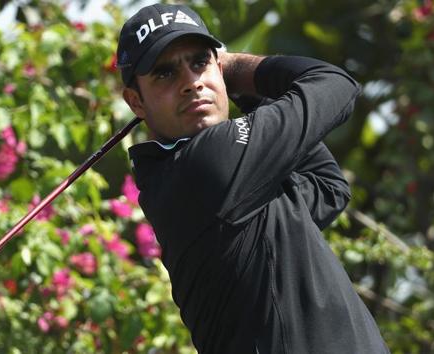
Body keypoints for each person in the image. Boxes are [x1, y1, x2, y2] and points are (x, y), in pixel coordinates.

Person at [116, 3, 389, 353]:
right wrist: (235, 69)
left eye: (200, 61)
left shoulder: (201, 179)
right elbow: (334, 84)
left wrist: (242, 92)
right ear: (136, 102)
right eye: (165, 73)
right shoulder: (208, 162)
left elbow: (327, 187)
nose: (191, 82)